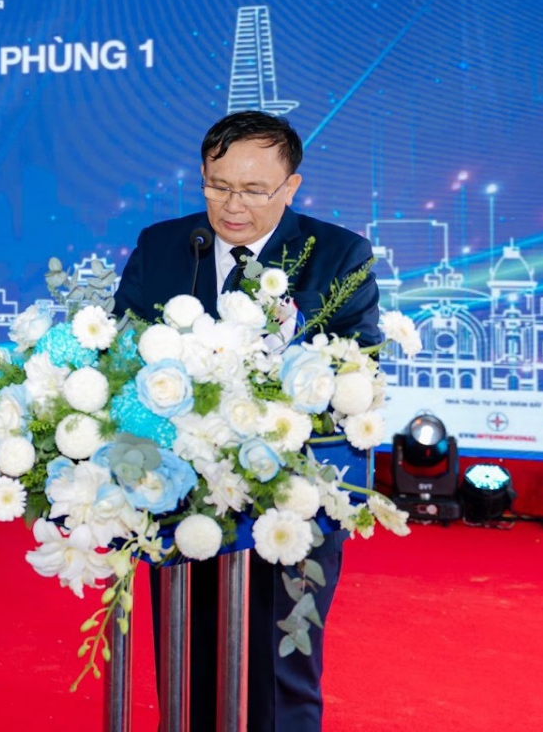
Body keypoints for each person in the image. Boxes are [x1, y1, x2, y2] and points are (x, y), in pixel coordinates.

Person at [111, 110, 381, 732]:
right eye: (218, 185)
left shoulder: (338, 254)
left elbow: (360, 369)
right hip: (179, 491)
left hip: (289, 496)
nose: (233, 206)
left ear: (291, 186)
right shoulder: (164, 245)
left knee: (282, 672)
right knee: (189, 657)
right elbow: (121, 352)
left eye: (254, 190)